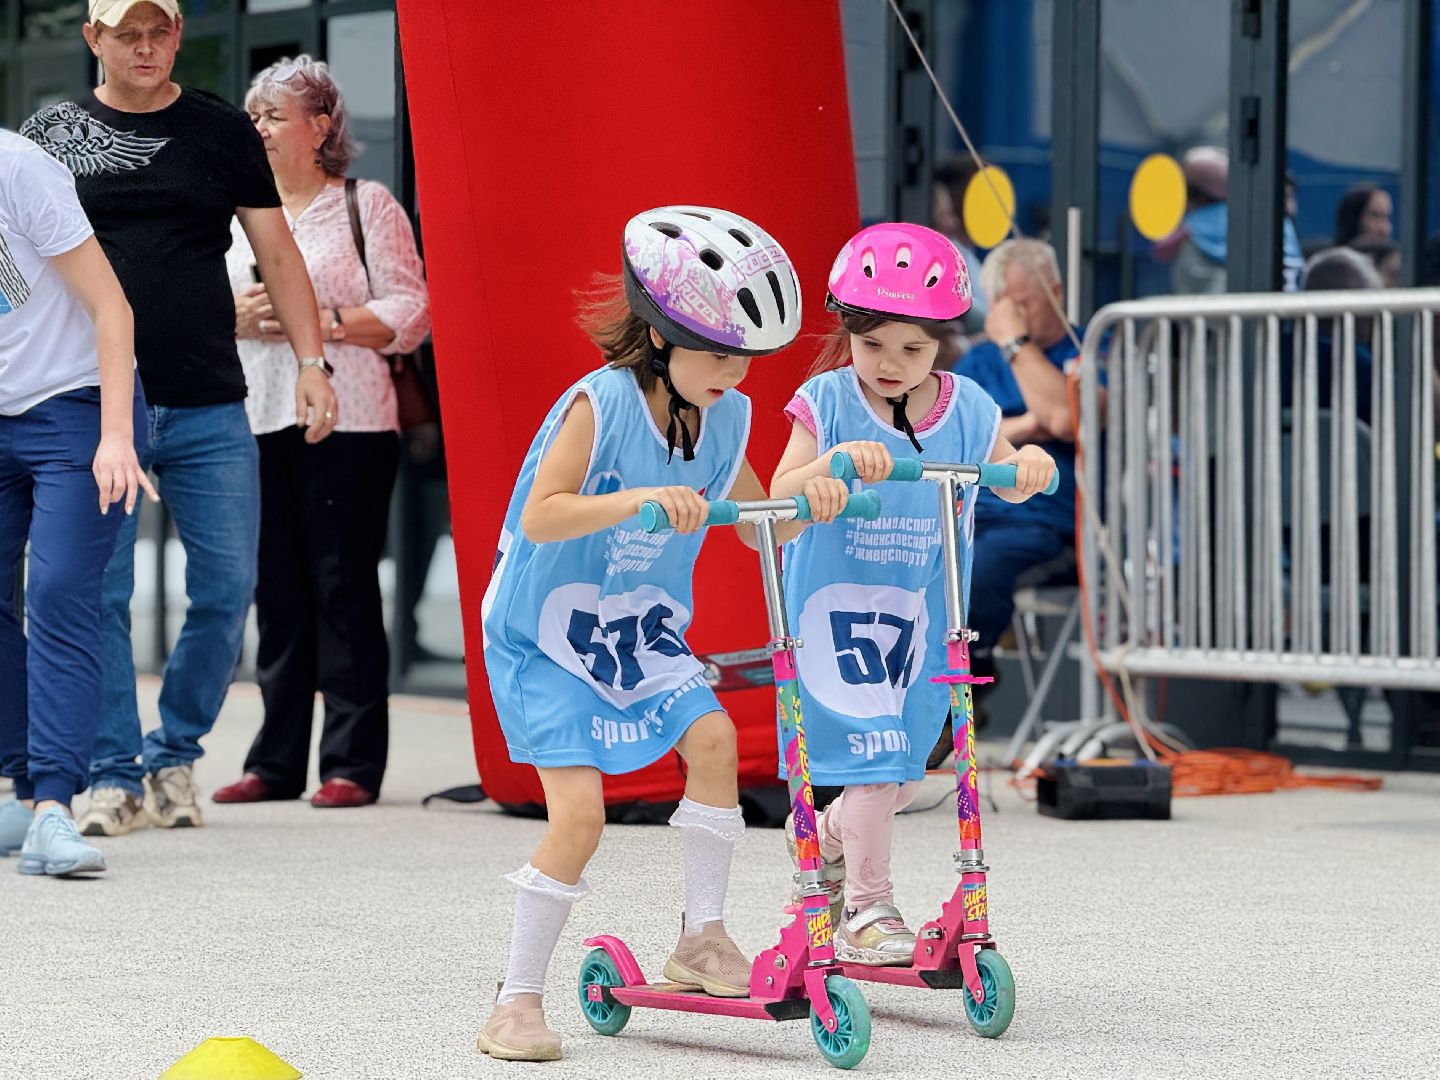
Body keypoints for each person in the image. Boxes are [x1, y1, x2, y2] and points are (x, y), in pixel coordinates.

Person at [475, 206, 846, 1061]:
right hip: (548, 634)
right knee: (580, 817)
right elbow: (541, 515)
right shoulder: (597, 405)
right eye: (717, 353)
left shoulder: (728, 417)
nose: (733, 372)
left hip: (639, 630)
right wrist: (640, 503)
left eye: (745, 357)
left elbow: (759, 524)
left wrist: (811, 490)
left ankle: (701, 938)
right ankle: (515, 1002)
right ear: (658, 334)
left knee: (714, 742)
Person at [20, 0, 337, 837]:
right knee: (100, 595)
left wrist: (311, 363)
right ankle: (114, 773)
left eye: (160, 31)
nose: (148, 46)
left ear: (179, 37)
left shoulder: (220, 130)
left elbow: (277, 253)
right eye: (129, 33)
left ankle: (174, 755)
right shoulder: (48, 133)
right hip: (84, 401)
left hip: (205, 398)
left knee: (228, 588)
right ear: (93, 38)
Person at [769, 223, 1055, 964]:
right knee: (874, 758)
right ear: (848, 334)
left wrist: (1026, 466)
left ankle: (826, 837)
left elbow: (1007, 469)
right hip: (835, 617)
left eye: (913, 348)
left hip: (922, 620)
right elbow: (781, 495)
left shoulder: (966, 409)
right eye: (873, 346)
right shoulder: (826, 401)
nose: (890, 365)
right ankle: (868, 908)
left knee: (902, 772)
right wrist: (831, 465)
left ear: (942, 344)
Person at [212, 56, 430, 810]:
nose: (259, 128)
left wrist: (321, 322)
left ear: (322, 126)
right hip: (252, 412)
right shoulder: (235, 208)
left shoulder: (367, 206)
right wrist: (234, 316)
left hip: (352, 418)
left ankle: (351, 764)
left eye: (274, 115)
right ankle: (274, 763)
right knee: (275, 591)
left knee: (342, 589)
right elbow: (198, 299)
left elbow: (412, 310)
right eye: (253, 116)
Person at [0, 127, 156, 875]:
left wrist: (116, 436)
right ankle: (21, 790)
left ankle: (56, 806)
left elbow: (113, 308)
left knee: (59, 592)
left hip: (76, 407)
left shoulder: (22, 170)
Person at [956, 239, 1092, 685]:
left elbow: (1063, 418)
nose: (1014, 315)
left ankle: (968, 679)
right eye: (1006, 306)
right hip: (974, 510)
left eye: (1025, 304)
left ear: (1057, 292)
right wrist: (1027, 426)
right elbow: (956, 438)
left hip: (1048, 524)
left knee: (980, 565)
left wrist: (1016, 343)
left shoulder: (1087, 345)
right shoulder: (978, 360)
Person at [1334, 183, 1393, 248]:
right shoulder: (1331, 256)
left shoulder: (1395, 255)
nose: (1385, 230)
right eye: (1375, 216)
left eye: (1387, 217)